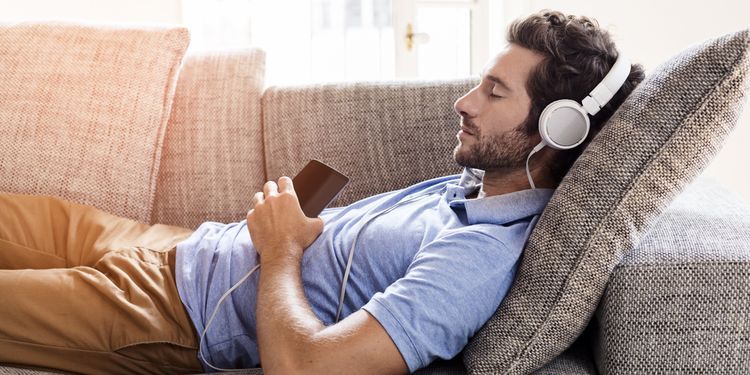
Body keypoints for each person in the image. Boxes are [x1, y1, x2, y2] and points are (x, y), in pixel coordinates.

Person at [0, 9, 644, 375]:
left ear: (557, 130)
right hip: (174, 245)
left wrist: (280, 249)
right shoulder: (474, 188)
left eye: (495, 94)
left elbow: (306, 369)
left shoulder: (477, 261)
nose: (464, 102)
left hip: (169, 313)